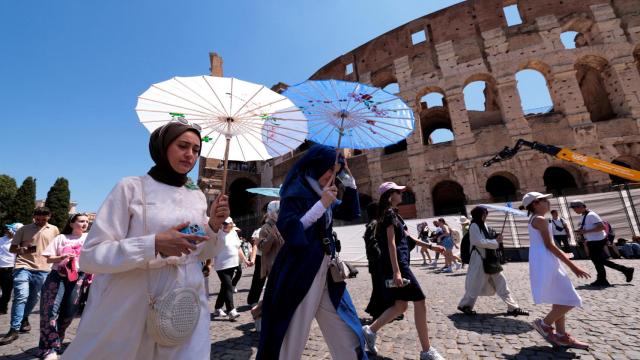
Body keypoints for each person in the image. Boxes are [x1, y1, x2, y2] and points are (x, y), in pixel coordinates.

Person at [62, 121, 230, 359]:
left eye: (196, 150)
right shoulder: (130, 188)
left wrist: (212, 226)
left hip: (185, 304)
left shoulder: (197, 197)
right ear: (162, 147)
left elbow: (196, 250)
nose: (190, 154)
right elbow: (91, 256)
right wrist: (153, 244)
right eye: (182, 145)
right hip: (131, 304)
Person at [257, 145, 367, 360]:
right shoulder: (295, 192)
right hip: (300, 270)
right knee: (290, 334)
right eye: (330, 171)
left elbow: (349, 212)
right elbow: (290, 230)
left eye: (337, 172)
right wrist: (321, 205)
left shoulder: (324, 192)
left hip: (327, 270)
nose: (332, 176)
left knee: (345, 329)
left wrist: (349, 182)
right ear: (318, 167)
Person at [362, 182, 446, 360]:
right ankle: (426, 351)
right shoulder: (389, 215)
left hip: (399, 263)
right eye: (399, 192)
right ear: (391, 195)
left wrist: (431, 246)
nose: (402, 193)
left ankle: (369, 331)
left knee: (401, 305)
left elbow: (408, 237)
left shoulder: (394, 216)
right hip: (399, 264)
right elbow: (391, 244)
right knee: (420, 300)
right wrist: (397, 272)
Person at [524, 192, 591, 349]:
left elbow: (546, 244)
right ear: (535, 204)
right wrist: (573, 266)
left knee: (560, 297)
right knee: (570, 299)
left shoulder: (535, 219)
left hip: (543, 258)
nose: (548, 202)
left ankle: (561, 336)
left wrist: (562, 255)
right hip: (546, 260)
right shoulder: (539, 219)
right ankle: (544, 324)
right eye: (545, 200)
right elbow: (549, 245)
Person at [0, 207, 59, 345]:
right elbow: (12, 248)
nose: (40, 221)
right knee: (21, 296)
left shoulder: (54, 230)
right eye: (37, 219)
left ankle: (24, 317)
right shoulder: (24, 229)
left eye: (43, 219)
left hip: (44, 268)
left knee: (34, 298)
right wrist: (22, 249)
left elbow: (57, 247)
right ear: (34, 216)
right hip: (23, 265)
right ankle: (13, 329)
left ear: (49, 217)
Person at [457, 206, 528, 317]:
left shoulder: (484, 225)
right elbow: (477, 241)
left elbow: (487, 238)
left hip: (491, 259)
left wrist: (496, 237)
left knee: (501, 283)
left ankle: (513, 307)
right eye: (484, 214)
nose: (486, 216)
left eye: (486, 214)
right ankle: (464, 305)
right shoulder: (474, 226)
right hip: (480, 260)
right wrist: (495, 242)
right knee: (475, 284)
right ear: (479, 214)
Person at [38, 213, 90, 359]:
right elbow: (48, 258)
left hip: (78, 277)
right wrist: (61, 257)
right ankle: (49, 348)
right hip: (57, 277)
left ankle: (58, 340)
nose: (85, 224)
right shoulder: (61, 238)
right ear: (72, 223)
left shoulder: (89, 238)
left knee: (69, 313)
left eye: (86, 221)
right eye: (81, 221)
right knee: (50, 311)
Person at [570, 200, 634, 287]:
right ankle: (603, 278)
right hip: (593, 240)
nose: (574, 211)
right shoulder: (585, 215)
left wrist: (586, 231)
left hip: (597, 241)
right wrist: (582, 232)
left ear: (581, 207)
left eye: (575, 208)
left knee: (598, 260)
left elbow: (602, 227)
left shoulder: (591, 215)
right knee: (597, 261)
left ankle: (624, 270)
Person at [249, 200, 284, 330]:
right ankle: (257, 312)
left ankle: (272, 317)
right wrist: (272, 236)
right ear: (271, 213)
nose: (280, 214)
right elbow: (263, 248)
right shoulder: (265, 228)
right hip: (272, 266)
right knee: (274, 294)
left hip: (283, 264)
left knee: (278, 293)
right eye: (278, 211)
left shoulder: (282, 225)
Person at [213, 217, 251, 321]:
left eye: (227, 223)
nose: (225, 225)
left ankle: (217, 307)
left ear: (231, 224)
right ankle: (231, 310)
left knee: (224, 287)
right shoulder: (218, 233)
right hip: (221, 265)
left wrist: (245, 260)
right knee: (229, 286)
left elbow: (238, 248)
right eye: (223, 223)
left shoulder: (234, 233)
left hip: (232, 264)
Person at [363, 202, 390, 321]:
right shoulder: (374, 224)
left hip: (374, 262)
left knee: (380, 287)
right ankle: (377, 312)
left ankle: (382, 311)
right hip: (377, 262)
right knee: (379, 287)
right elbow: (372, 243)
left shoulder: (371, 223)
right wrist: (381, 256)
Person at [0, 223, 22, 314]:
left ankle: (3, 308)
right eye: (7, 230)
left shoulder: (17, 242)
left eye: (10, 230)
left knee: (6, 292)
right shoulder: (1, 240)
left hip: (9, 270)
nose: (8, 231)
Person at [247, 227, 263, 307]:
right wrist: (253, 259)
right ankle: (253, 300)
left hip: (272, 256)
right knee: (259, 279)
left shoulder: (278, 228)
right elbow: (255, 246)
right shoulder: (260, 230)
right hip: (261, 257)